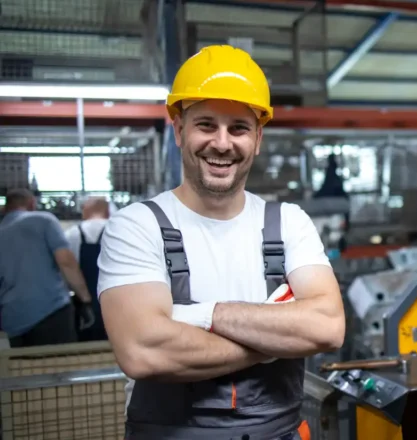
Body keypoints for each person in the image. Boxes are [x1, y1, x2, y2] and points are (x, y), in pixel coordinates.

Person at [97, 45, 344, 440]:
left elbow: (328, 327)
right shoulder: (137, 226)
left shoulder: (288, 223)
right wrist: (275, 341)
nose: (223, 143)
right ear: (179, 130)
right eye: (206, 125)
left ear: (258, 138)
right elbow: (144, 350)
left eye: (239, 128)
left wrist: (199, 315)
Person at [0, 189, 95, 348]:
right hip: (51, 312)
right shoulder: (43, 220)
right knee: (61, 367)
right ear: (32, 203)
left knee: (25, 370)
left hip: (12, 320)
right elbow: (66, 262)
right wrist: (85, 300)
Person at [64, 197, 110, 341]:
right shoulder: (120, 230)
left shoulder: (71, 234)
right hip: (115, 301)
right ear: (107, 211)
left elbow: (66, 269)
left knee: (86, 348)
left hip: (83, 304)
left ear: (85, 210)